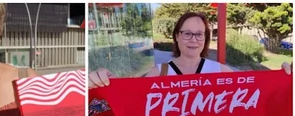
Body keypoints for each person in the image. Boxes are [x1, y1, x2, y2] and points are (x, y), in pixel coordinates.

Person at [89, 12, 293, 88]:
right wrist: (104, 83)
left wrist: (285, 80)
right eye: (187, 33)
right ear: (177, 36)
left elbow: (257, 95)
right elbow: (129, 102)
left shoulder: (222, 71)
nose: (193, 40)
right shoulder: (158, 73)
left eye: (199, 34)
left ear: (205, 38)